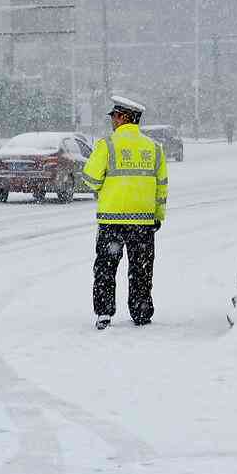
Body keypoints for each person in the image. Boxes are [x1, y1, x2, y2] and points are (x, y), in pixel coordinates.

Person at [81, 95, 169, 331]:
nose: (112, 120)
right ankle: (141, 312)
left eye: (114, 116)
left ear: (123, 118)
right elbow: (161, 187)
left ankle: (104, 313)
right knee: (141, 269)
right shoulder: (154, 148)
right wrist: (158, 215)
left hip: (112, 220)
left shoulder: (106, 145)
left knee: (106, 268)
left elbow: (89, 180)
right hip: (143, 221)